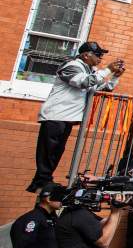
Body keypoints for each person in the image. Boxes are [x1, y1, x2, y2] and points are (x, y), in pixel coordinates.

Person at [27, 42, 124, 193]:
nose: (101, 58)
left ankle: (43, 181)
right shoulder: (72, 65)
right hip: (56, 115)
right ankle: (41, 182)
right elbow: (84, 82)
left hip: (67, 117)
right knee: (48, 151)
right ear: (86, 55)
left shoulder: (90, 70)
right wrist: (108, 70)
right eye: (98, 55)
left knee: (56, 151)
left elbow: (100, 88)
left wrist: (115, 76)